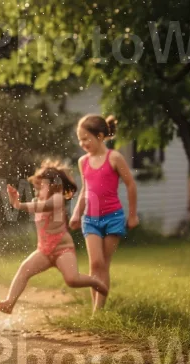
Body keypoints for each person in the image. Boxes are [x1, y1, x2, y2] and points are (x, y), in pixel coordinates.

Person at [0, 160, 109, 314]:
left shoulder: (57, 199)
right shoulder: (38, 200)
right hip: (43, 250)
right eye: (36, 187)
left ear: (55, 186)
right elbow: (34, 205)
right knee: (24, 269)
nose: (37, 191)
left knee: (72, 280)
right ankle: (10, 302)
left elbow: (41, 206)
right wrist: (15, 201)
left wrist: (18, 205)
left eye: (41, 187)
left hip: (63, 249)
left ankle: (94, 281)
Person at [69, 115, 139, 313]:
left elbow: (130, 184)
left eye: (86, 138)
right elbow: (85, 190)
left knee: (104, 265)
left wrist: (132, 215)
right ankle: (96, 309)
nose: (82, 143)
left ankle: (98, 311)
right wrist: (76, 213)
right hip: (90, 219)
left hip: (113, 218)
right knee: (95, 263)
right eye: (80, 139)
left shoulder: (114, 158)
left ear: (100, 136)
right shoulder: (83, 162)